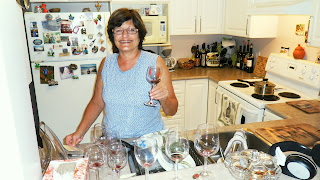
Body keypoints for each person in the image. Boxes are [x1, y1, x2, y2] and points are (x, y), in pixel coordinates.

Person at [65, 8, 178, 146]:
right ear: (112, 35)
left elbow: (172, 110)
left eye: (131, 30)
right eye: (118, 30)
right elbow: (97, 102)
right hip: (113, 143)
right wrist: (79, 132)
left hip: (147, 144)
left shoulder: (155, 62)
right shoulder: (106, 63)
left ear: (139, 34)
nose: (125, 35)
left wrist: (164, 98)